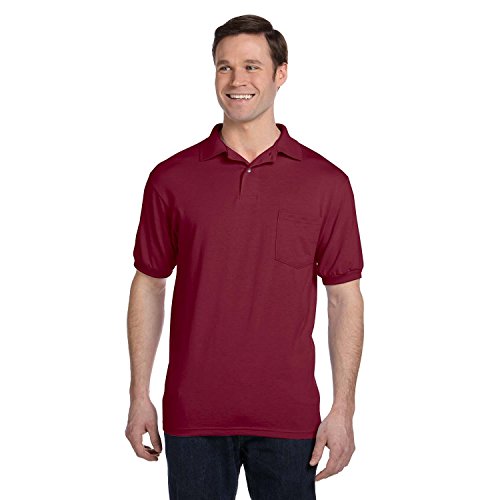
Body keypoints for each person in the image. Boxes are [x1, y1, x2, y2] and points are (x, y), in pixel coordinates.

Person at [125, 14, 365, 500]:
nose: (237, 80)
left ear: (281, 74)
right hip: (193, 416)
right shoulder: (171, 178)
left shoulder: (326, 183)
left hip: (289, 418)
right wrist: (138, 395)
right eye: (225, 67)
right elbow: (149, 284)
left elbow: (344, 299)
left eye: (252, 66)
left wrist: (343, 410)